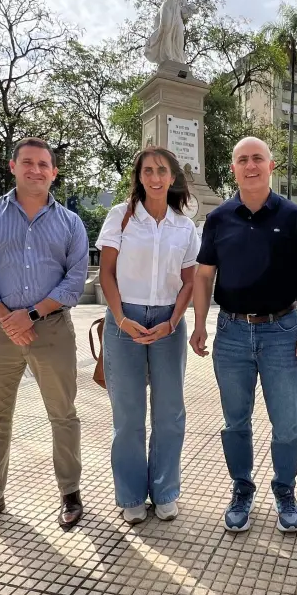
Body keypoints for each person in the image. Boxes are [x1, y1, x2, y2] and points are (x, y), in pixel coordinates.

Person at [190, 136, 297, 534]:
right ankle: (241, 489)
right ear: (233, 168)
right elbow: (203, 275)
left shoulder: (295, 216)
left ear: (272, 166)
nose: (250, 166)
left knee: (287, 425)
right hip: (231, 333)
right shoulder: (219, 219)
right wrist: (199, 324)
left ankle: (285, 490)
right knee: (235, 423)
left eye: (257, 159)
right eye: (242, 160)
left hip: (282, 333)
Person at [0, 137, 89, 541]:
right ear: (12, 166)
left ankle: (70, 492)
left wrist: (30, 314)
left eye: (44, 164)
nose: (36, 170)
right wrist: (7, 318)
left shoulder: (71, 222)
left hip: (51, 329)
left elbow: (75, 278)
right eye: (28, 163)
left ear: (54, 172)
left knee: (63, 415)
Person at [96, 146, 199, 525]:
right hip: (125, 320)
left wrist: (173, 321)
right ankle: (130, 495)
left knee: (170, 414)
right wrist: (121, 319)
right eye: (148, 171)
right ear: (139, 177)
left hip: (168, 324)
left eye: (162, 171)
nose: (155, 178)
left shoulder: (184, 227)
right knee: (129, 416)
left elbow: (190, 282)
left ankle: (166, 489)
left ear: (173, 177)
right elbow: (106, 274)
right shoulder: (119, 219)